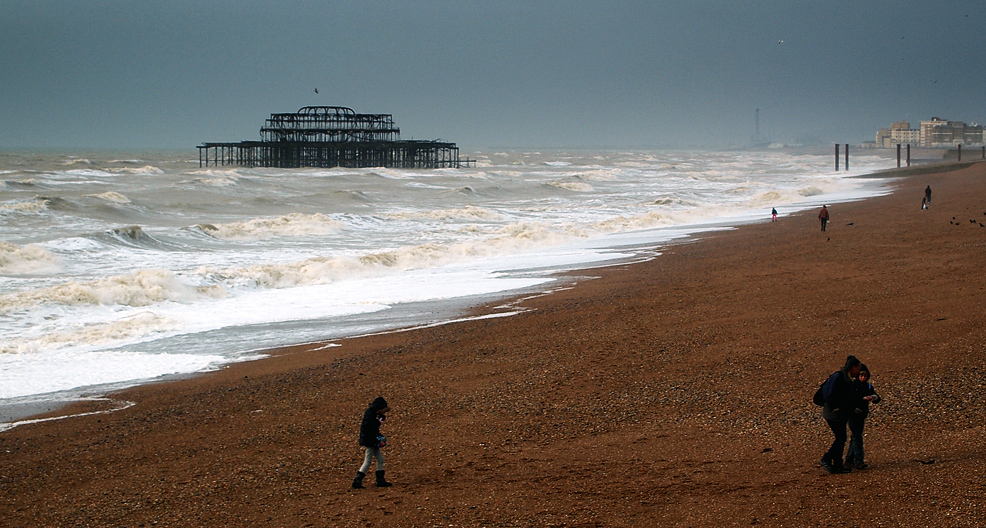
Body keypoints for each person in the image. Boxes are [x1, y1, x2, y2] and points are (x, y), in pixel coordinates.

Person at [819, 355, 861, 474]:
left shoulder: (847, 379)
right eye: (858, 368)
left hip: (839, 413)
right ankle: (827, 458)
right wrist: (837, 407)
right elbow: (829, 395)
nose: (858, 371)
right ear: (852, 367)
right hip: (833, 413)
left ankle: (837, 464)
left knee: (841, 437)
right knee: (841, 437)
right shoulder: (838, 377)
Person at [352, 396, 392, 489]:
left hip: (371, 439)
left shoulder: (371, 413)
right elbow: (371, 427)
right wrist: (379, 421)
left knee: (380, 459)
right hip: (370, 440)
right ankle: (357, 481)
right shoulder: (371, 415)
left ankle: (380, 480)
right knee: (368, 460)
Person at [846, 364, 881, 469]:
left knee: (855, 436)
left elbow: (877, 397)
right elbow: (850, 399)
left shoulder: (868, 386)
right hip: (853, 414)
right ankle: (859, 460)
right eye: (861, 376)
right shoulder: (852, 385)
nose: (863, 378)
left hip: (862, 414)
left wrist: (874, 397)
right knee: (857, 436)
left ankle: (849, 460)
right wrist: (862, 399)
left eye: (864, 376)